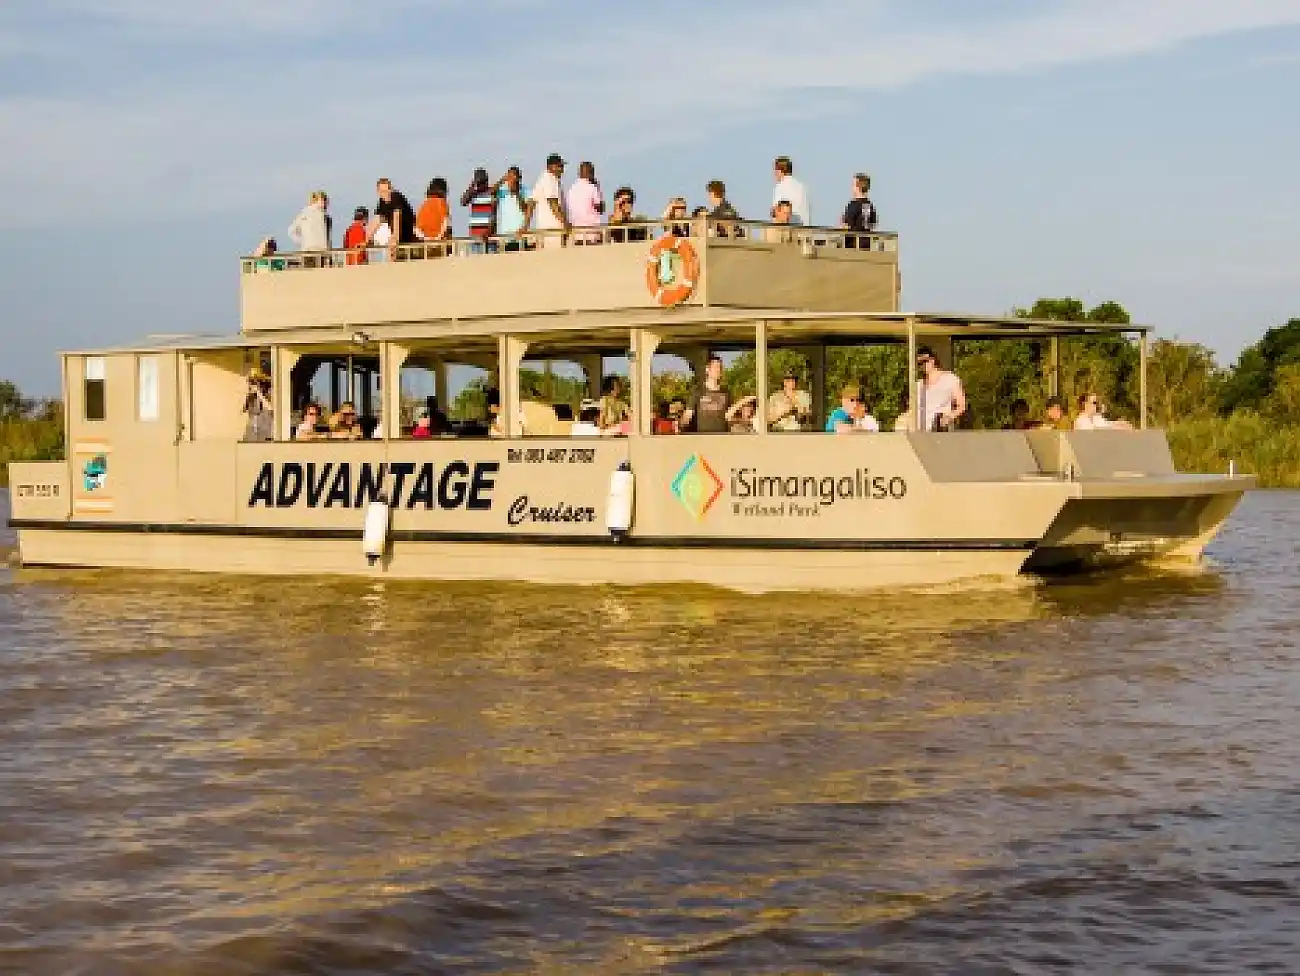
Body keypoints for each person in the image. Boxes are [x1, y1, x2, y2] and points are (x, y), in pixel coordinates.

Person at [525, 152, 570, 248]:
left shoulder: (542, 179)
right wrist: (565, 223)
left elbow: (531, 204)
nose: (561, 170)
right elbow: (553, 203)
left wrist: (525, 225)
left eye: (562, 166)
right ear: (551, 167)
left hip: (546, 229)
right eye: (559, 166)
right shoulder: (549, 179)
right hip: (554, 230)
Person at [916, 346, 966, 431]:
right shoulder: (918, 385)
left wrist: (949, 417)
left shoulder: (949, 378)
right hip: (919, 432)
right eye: (920, 363)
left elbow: (961, 406)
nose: (923, 365)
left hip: (940, 431)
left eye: (925, 361)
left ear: (933, 359)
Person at [681, 355, 731, 433]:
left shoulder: (726, 391)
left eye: (720, 367)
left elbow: (728, 415)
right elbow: (688, 414)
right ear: (707, 369)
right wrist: (681, 425)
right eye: (716, 367)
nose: (718, 370)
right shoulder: (697, 390)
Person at [374, 178, 418, 259]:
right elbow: (376, 220)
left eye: (386, 191)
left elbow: (397, 217)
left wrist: (395, 238)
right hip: (399, 235)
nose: (384, 194)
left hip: (409, 232)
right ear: (378, 192)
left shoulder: (396, 197)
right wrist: (366, 240)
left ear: (391, 190)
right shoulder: (382, 202)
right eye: (382, 191)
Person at [566, 161, 604, 244]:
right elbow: (600, 209)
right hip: (591, 233)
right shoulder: (592, 187)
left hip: (576, 233)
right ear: (591, 173)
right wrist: (598, 188)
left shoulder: (571, 189)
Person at [287, 191, 330, 261]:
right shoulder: (308, 214)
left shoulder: (304, 214)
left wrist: (303, 242)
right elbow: (291, 231)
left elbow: (291, 231)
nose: (326, 203)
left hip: (310, 250)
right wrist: (303, 241)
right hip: (319, 250)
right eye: (324, 200)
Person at [493, 167, 530, 249]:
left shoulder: (525, 190)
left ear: (519, 178)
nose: (511, 180)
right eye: (509, 177)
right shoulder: (502, 190)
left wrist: (517, 194)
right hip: (504, 235)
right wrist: (502, 180)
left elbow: (526, 210)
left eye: (514, 177)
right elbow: (491, 192)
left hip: (519, 233)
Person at [461, 167, 496, 250]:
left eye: (482, 182)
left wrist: (488, 231)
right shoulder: (473, 194)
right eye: (479, 183)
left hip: (488, 237)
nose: (480, 185)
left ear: (486, 181)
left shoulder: (492, 193)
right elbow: (463, 202)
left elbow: (494, 214)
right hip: (475, 236)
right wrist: (472, 186)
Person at [416, 177, 452, 254]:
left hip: (425, 243)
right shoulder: (442, 203)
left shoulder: (424, 204)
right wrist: (437, 238)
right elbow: (446, 223)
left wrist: (425, 238)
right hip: (439, 243)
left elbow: (417, 228)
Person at [840, 173, 878, 248]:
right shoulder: (869, 205)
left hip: (852, 245)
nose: (852, 187)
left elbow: (846, 226)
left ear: (858, 187)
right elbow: (872, 225)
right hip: (866, 245)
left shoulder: (853, 205)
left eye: (853, 185)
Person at [772, 156, 809, 226]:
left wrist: (773, 212)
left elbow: (782, 211)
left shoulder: (781, 186)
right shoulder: (801, 186)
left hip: (790, 229)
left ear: (781, 170)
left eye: (775, 170)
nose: (774, 174)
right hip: (805, 230)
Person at [242, 368, 273, 441]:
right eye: (249, 382)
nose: (250, 385)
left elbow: (270, 408)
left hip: (263, 430)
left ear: (259, 383)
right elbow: (244, 410)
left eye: (252, 382)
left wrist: (258, 393)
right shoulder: (251, 397)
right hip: (252, 429)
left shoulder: (267, 395)